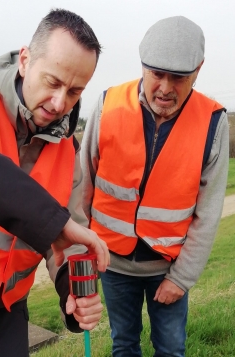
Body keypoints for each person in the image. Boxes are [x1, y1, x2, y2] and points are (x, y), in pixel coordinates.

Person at [0, 8, 110, 357]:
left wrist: (72, 293)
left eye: (75, 91)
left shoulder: (67, 148)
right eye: (53, 82)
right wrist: (50, 221)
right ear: (26, 60)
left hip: (10, 313)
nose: (60, 103)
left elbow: (69, 239)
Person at [81, 15, 229, 357]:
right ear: (143, 65)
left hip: (167, 269)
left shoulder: (213, 122)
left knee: (171, 349)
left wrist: (181, 279)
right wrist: (82, 251)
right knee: (124, 344)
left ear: (199, 69)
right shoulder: (108, 104)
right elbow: (82, 186)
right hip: (112, 265)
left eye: (179, 77)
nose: (165, 87)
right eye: (156, 73)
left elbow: (207, 215)